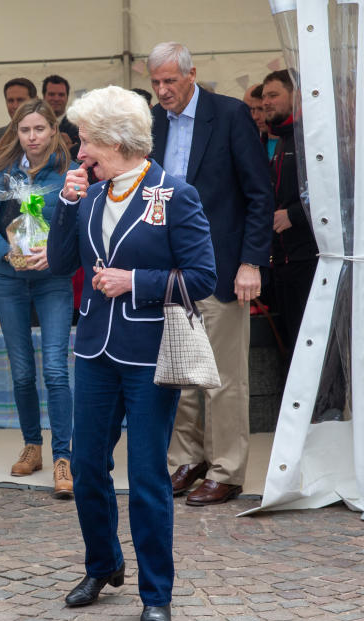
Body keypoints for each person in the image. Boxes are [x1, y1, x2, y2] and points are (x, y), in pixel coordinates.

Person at [48, 85, 216, 621]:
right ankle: (103, 565)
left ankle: (155, 592)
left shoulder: (176, 192)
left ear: (116, 141)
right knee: (88, 467)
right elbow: (58, 262)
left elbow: (203, 278)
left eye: (86, 141)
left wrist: (136, 282)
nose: (79, 153)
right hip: (93, 349)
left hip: (148, 355)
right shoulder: (91, 195)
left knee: (147, 476)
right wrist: (67, 203)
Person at [148, 42, 274, 507]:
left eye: (170, 81)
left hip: (222, 266)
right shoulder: (153, 120)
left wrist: (250, 262)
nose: (162, 91)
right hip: (168, 268)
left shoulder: (229, 115)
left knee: (223, 377)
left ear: (191, 74)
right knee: (181, 373)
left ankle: (227, 470)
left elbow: (259, 195)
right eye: (156, 82)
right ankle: (188, 459)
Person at [0, 99, 76, 496]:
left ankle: (63, 457)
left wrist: (54, 253)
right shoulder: (1, 176)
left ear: (53, 131)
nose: (32, 137)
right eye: (25, 130)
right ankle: (32, 446)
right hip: (8, 280)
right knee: (21, 371)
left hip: (53, 279)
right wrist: (6, 252)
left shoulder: (69, 175)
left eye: (39, 129)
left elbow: (80, 226)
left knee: (55, 369)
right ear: (15, 133)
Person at [263, 69, 317, 363]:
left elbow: (338, 189)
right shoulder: (283, 139)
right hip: (284, 261)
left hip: (309, 259)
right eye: (265, 97)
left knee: (309, 343)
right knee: (291, 345)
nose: (266, 102)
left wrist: (295, 215)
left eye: (274, 95)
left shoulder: (311, 136)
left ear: (296, 95)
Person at [0, 77, 37, 170]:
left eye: (20, 100)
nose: (15, 106)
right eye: (10, 101)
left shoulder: (48, 136)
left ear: (35, 101)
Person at [42, 74, 79, 147]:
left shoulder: (79, 127)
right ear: (43, 96)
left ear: (67, 97)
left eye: (61, 95)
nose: (56, 99)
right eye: (51, 94)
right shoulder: (32, 124)